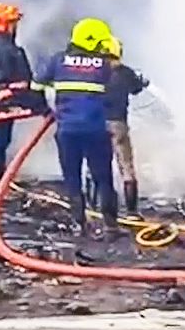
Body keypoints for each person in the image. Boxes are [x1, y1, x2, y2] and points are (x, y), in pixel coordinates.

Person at [34, 18, 119, 236]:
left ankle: (79, 224)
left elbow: (36, 85)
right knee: (103, 178)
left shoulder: (58, 60)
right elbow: (115, 91)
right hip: (95, 131)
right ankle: (111, 225)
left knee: (72, 178)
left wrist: (45, 110)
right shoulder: (104, 66)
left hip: (67, 131)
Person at [0, 3, 45, 183]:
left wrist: (35, 103)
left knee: (2, 144)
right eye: (13, 23)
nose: (16, 27)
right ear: (4, 24)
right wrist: (8, 102)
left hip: (3, 107)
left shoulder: (4, 46)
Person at [103, 36, 148, 217]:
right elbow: (137, 88)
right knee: (126, 167)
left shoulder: (93, 72)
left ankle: (97, 207)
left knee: (96, 167)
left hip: (96, 123)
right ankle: (132, 212)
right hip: (118, 123)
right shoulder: (125, 73)